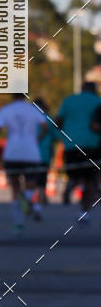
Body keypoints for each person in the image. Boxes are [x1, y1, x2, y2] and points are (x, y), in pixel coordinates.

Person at [0, 94, 47, 231]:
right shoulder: (34, 110)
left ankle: (19, 221)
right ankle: (27, 198)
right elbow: (45, 127)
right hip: (31, 153)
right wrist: (37, 140)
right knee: (31, 184)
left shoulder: (6, 109)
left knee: (15, 188)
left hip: (12, 153)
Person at [54, 82, 101, 224]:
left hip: (71, 144)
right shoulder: (98, 101)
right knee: (90, 179)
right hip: (93, 144)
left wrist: (63, 135)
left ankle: (72, 183)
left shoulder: (68, 100)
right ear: (94, 90)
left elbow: (58, 120)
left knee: (74, 172)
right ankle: (84, 212)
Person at [33, 97, 56, 206]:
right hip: (44, 154)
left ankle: (28, 201)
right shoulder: (48, 118)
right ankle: (38, 207)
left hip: (29, 155)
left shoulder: (29, 118)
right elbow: (56, 136)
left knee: (29, 180)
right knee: (42, 182)